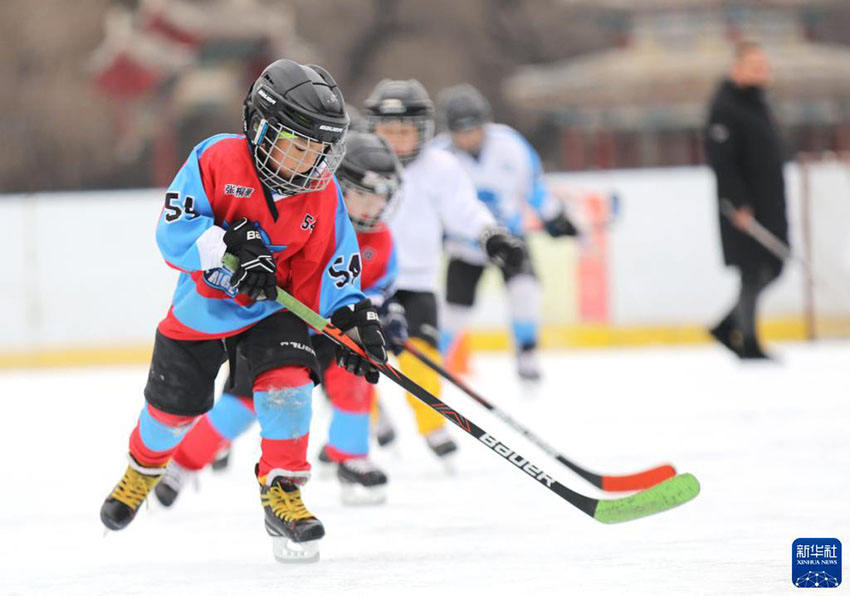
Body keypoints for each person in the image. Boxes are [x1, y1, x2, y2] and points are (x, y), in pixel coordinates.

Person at [99, 59, 388, 564]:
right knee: (171, 415)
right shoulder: (216, 158)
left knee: (289, 387)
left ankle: (283, 491)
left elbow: (334, 266)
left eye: (320, 150)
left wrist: (351, 319)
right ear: (261, 128)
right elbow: (174, 231)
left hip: (270, 311)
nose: (311, 162)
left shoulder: (321, 194)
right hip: (203, 311)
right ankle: (143, 468)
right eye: (298, 145)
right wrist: (230, 245)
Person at [152, 131, 406, 507]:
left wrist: (380, 315)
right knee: (242, 407)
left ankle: (350, 455)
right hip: (281, 327)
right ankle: (184, 462)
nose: (372, 207)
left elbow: (375, 286)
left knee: (354, 379)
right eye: (364, 194)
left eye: (380, 197)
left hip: (329, 329)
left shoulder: (379, 239)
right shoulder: (311, 209)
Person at [363, 79, 525, 460]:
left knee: (422, 355)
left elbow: (464, 208)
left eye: (404, 131)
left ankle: (432, 426)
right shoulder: (357, 161)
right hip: (363, 282)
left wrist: (490, 235)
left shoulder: (440, 166)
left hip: (416, 281)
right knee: (356, 361)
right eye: (388, 131)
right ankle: (367, 420)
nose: (395, 140)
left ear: (423, 130)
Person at [432, 84, 578, 382]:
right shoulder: (438, 155)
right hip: (465, 245)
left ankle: (526, 354)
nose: (468, 136)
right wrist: (438, 231)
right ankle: (435, 364)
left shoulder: (511, 144)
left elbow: (534, 187)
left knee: (525, 292)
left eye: (473, 128)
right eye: (460, 131)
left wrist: (554, 217)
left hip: (510, 239)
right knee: (454, 312)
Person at [705, 41, 788, 359]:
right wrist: (736, 202)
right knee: (754, 269)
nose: (762, 73)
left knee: (773, 264)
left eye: (764, 67)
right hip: (743, 205)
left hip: (769, 201)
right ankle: (747, 339)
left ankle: (728, 326)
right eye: (754, 67)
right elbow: (722, 161)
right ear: (736, 69)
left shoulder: (758, 104)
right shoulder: (725, 107)